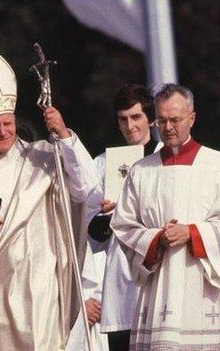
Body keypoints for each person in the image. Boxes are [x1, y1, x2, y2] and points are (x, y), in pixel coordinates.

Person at [0, 43, 98, 350]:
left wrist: (65, 135)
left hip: (39, 285)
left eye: (8, 123)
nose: (5, 131)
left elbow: (85, 186)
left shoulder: (45, 157)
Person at [111, 83, 220, 350]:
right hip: (161, 282)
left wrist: (192, 232)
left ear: (192, 118)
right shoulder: (141, 171)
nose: (168, 127)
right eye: (161, 121)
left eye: (175, 119)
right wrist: (157, 239)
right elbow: (123, 226)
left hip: (207, 286)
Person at [75, 84, 162, 351]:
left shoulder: (166, 160)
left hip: (159, 268)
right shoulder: (103, 164)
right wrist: (107, 216)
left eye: (136, 117)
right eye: (123, 119)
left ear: (151, 119)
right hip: (121, 276)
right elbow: (90, 231)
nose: (130, 125)